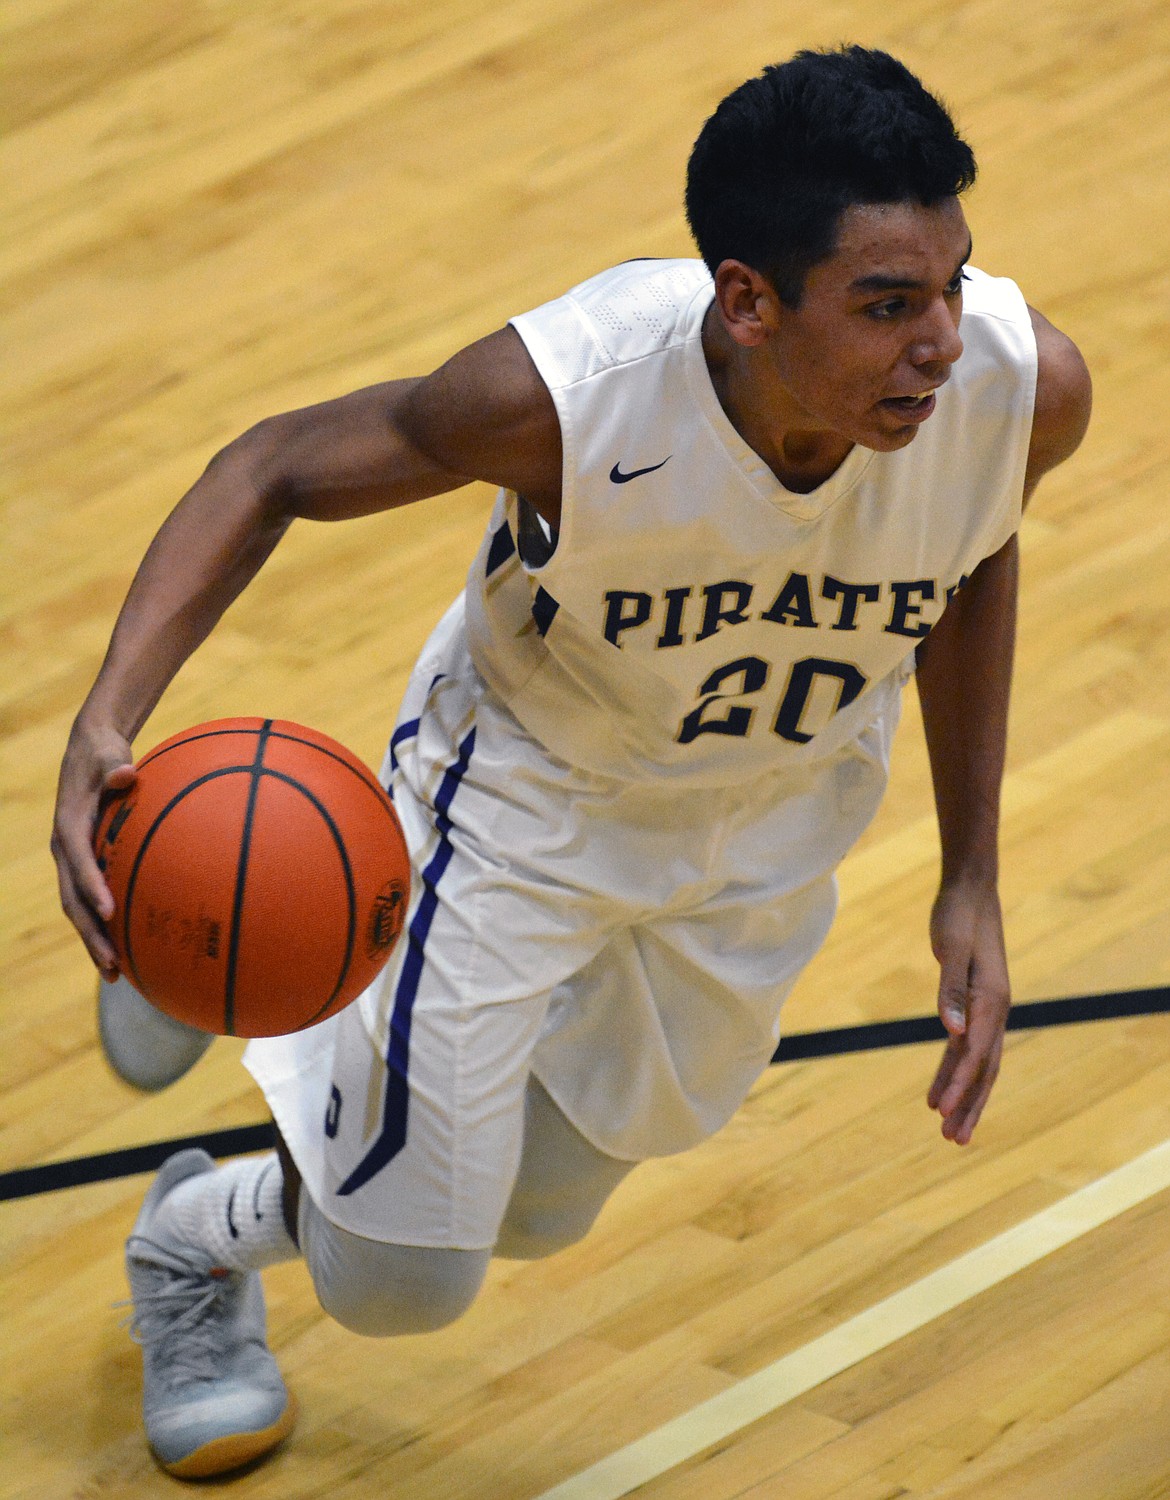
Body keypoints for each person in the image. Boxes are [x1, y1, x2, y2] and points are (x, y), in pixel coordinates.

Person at [51, 45, 1091, 1478]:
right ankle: (194, 1218)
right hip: (524, 802)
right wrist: (106, 719)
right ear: (743, 299)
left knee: (539, 1210)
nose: (941, 345)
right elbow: (269, 466)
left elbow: (969, 562)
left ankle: (256, 955)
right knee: (404, 1279)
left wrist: (969, 871)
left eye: (955, 286)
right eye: (887, 306)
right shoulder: (567, 396)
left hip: (766, 824)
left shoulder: (1015, 394)